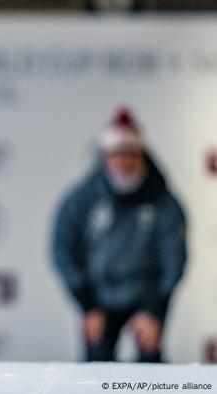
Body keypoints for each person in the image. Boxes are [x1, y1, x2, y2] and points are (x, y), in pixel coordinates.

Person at [52, 107, 187, 363]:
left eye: (131, 154)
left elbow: (174, 258)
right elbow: (63, 249)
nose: (124, 162)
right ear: (104, 157)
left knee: (151, 371)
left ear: (143, 156)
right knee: (95, 371)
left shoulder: (164, 203)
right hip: (98, 297)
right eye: (116, 154)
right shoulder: (82, 199)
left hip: (147, 295)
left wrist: (155, 309)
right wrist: (86, 304)